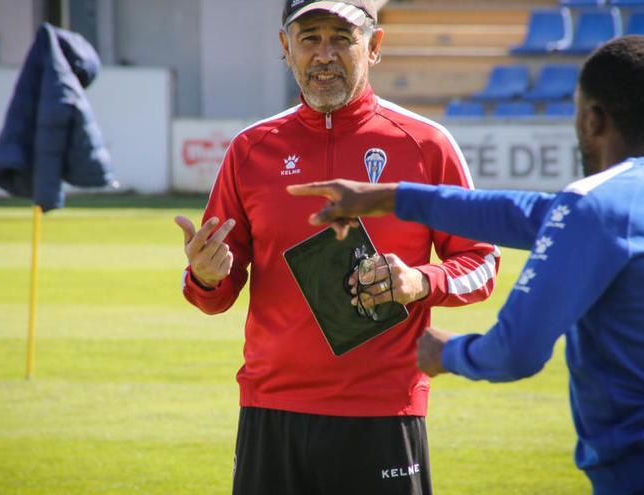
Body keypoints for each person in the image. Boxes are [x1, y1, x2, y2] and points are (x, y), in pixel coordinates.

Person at [288, 35, 644, 494]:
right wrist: (390, 196)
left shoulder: (593, 207)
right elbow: (522, 214)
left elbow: (516, 352)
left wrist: (444, 353)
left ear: (592, 118)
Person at [173, 1, 499, 494]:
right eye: (309, 38)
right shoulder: (250, 149)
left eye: (341, 38)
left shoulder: (426, 144)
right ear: (286, 48)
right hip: (271, 410)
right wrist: (205, 276)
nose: (324, 54)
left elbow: (482, 261)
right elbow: (212, 293)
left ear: (374, 46)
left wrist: (419, 281)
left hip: (382, 413)